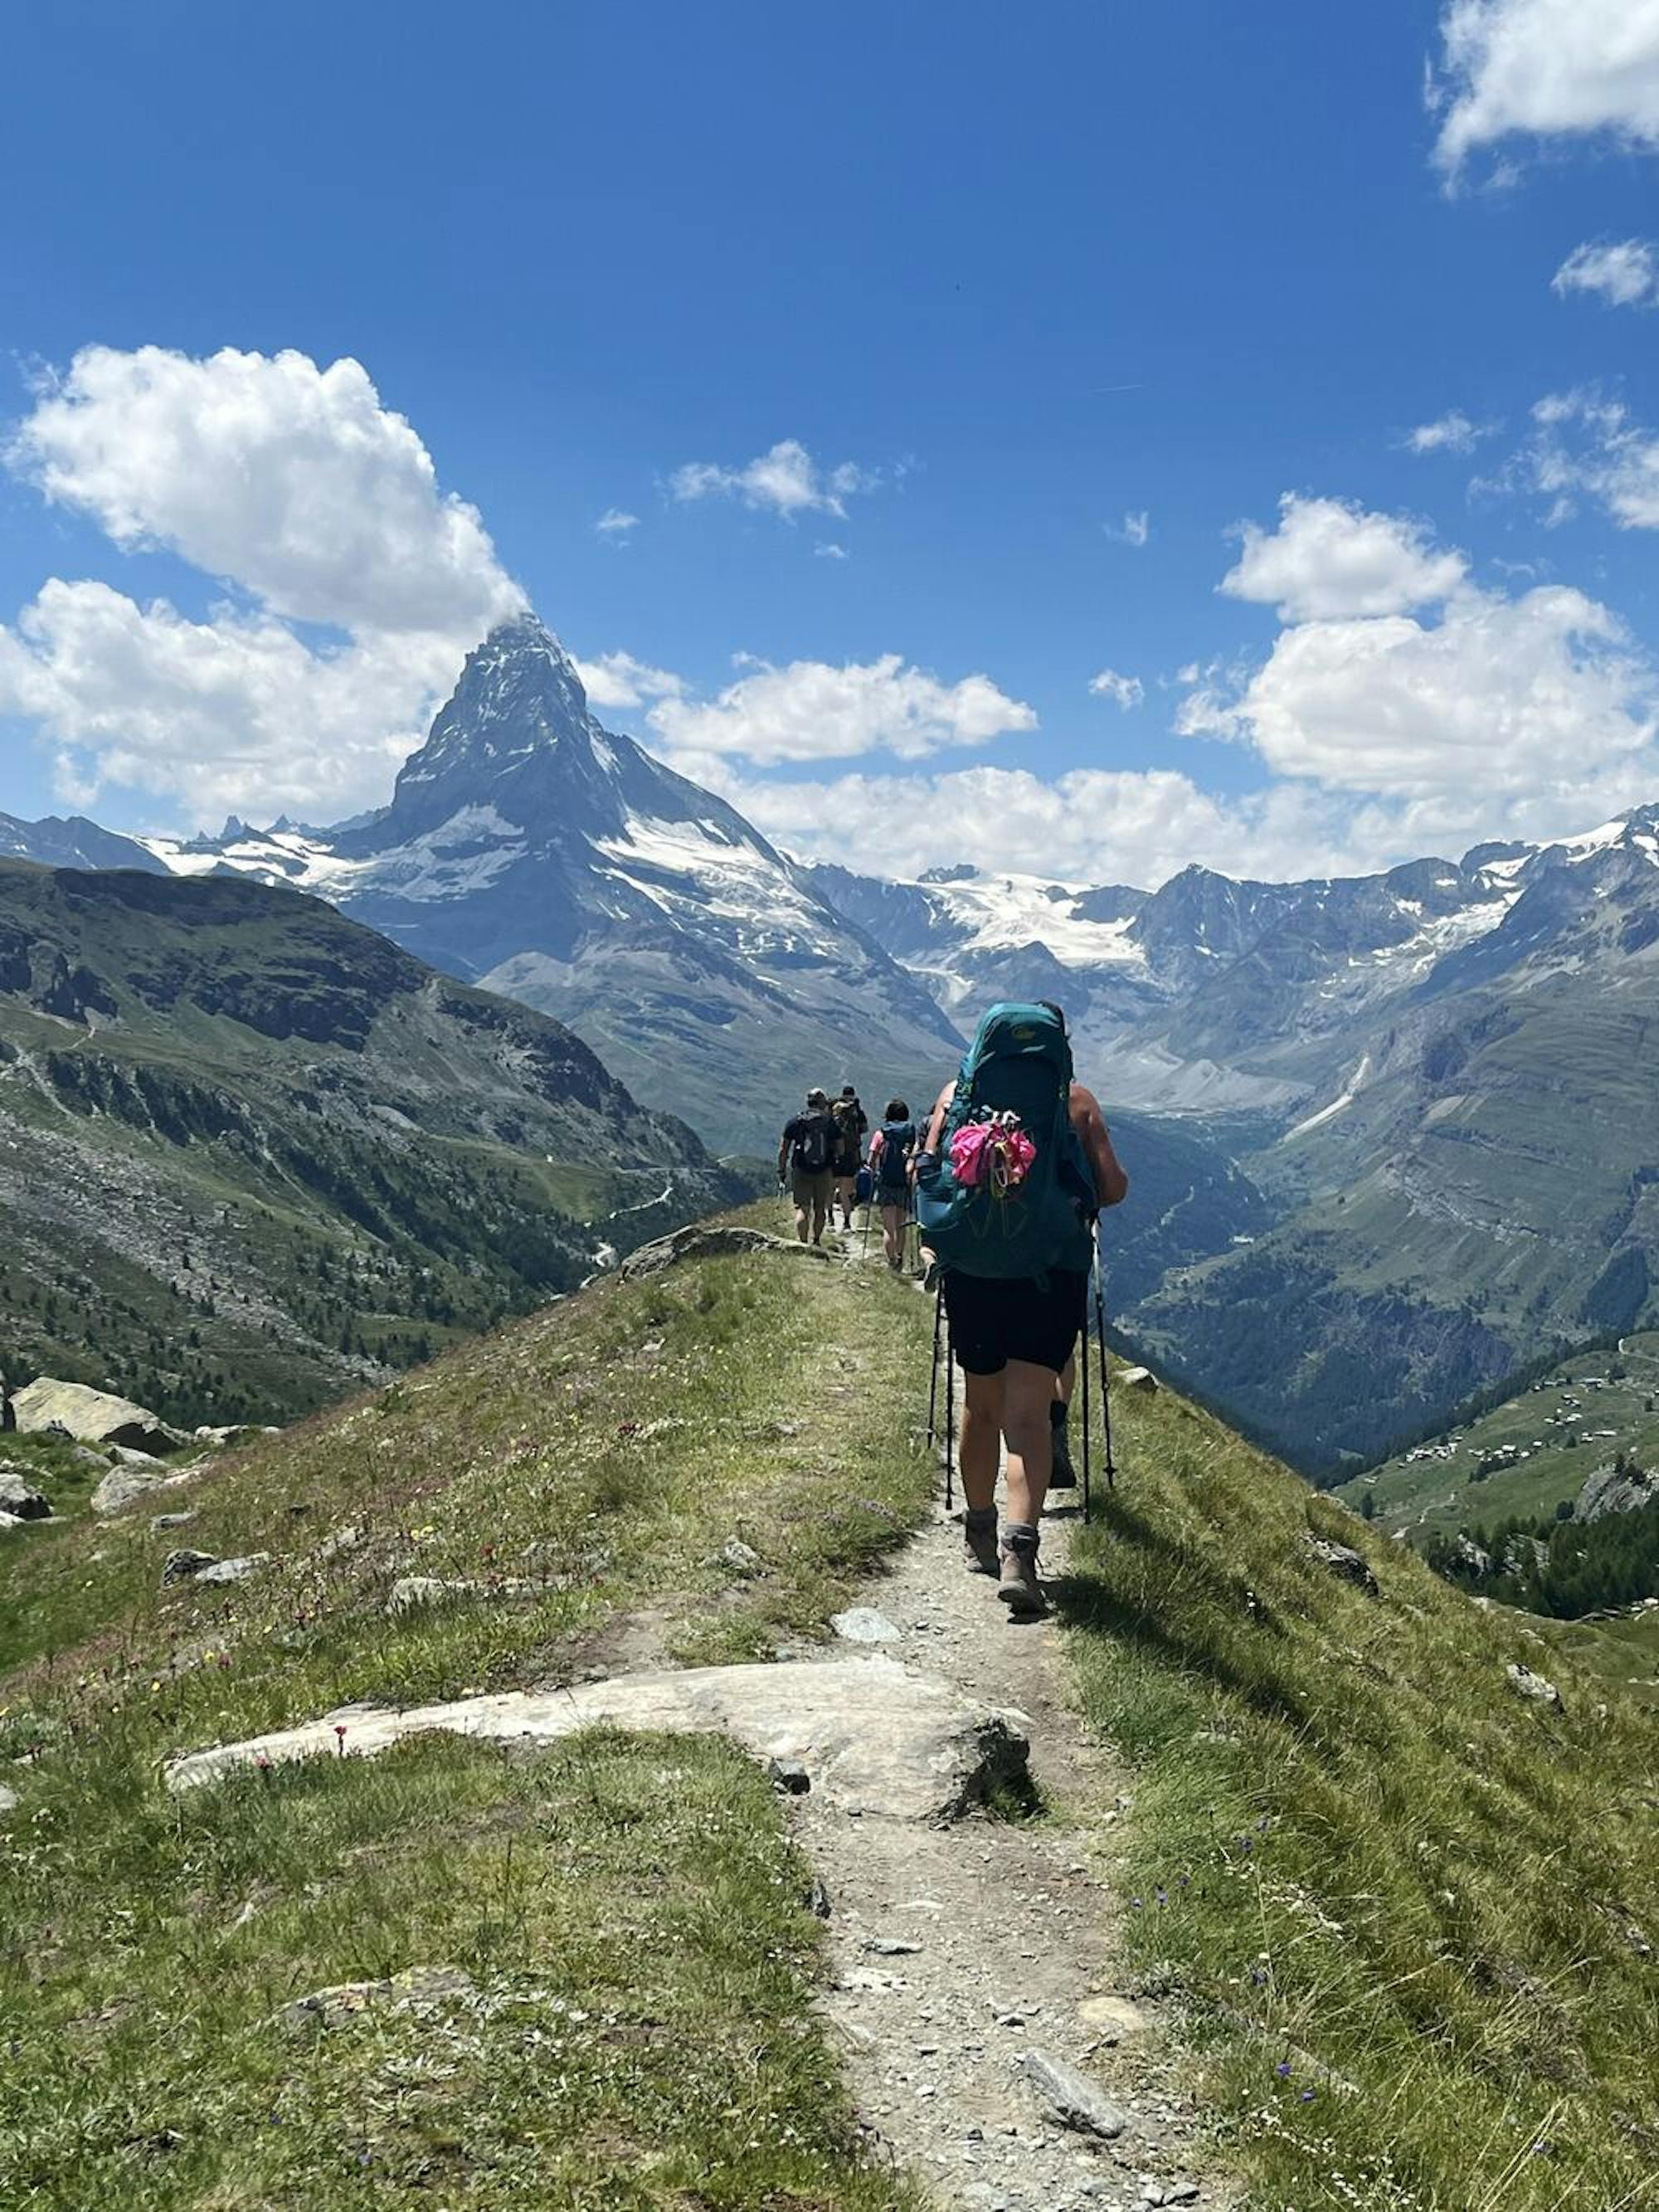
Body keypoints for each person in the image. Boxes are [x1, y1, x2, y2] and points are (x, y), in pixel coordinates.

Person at [917, 1002, 1126, 1617]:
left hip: (975, 1272)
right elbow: (1111, 1188)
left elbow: (930, 1174)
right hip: (1049, 1272)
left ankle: (978, 1530)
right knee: (1029, 1418)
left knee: (980, 1409)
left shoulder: (957, 1093)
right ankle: (1020, 1555)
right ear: (1060, 1046)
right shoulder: (1076, 1101)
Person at [778, 1086, 838, 1245]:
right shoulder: (829, 1122)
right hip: (824, 1170)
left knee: (803, 1208)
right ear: (823, 1103)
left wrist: (782, 1170)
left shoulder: (795, 1121)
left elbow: (783, 1149)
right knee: (820, 1209)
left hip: (801, 1168)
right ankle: (816, 1240)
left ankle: (803, 1242)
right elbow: (841, 1148)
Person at [867, 1097, 917, 1270]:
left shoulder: (882, 1133)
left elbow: (872, 1159)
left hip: (886, 1182)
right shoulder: (910, 1132)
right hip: (904, 1182)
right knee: (901, 1224)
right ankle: (901, 1257)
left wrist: (873, 1173)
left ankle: (891, 1261)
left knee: (888, 1227)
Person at [830, 1084, 868, 1230]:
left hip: (833, 1155)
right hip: (851, 1154)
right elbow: (864, 1129)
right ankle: (846, 1222)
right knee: (847, 1191)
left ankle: (830, 1218)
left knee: (831, 1188)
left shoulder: (835, 1109)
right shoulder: (856, 1111)